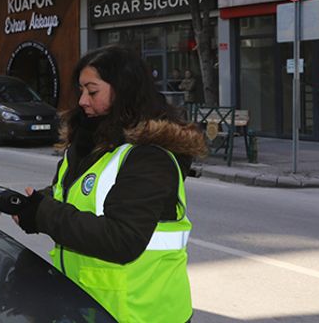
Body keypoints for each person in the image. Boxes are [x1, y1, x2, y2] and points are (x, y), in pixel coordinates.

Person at [11, 45, 205, 323]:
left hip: (141, 313)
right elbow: (70, 196)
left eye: (92, 91)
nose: (82, 101)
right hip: (89, 306)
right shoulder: (88, 143)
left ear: (124, 91)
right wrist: (34, 205)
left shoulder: (148, 156)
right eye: (80, 90)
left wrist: (43, 214)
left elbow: (121, 238)